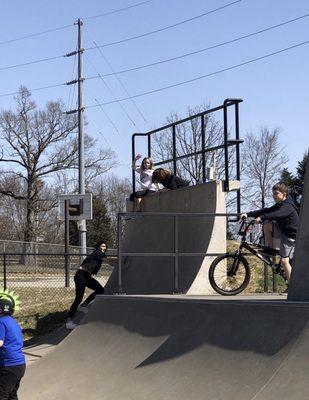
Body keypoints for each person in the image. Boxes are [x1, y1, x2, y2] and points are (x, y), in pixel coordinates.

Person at [241, 182, 299, 285]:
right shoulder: (280, 204)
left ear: (284, 194)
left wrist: (262, 217)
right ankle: (271, 249)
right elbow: (267, 210)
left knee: (285, 262)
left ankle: (293, 287)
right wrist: (248, 214)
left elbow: (278, 214)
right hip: (283, 232)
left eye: (276, 194)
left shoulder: (288, 206)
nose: (274, 196)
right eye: (273, 194)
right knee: (267, 224)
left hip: (291, 237)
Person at [66, 241, 107, 329]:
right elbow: (109, 261)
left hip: (87, 276)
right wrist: (120, 261)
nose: (103, 248)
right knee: (78, 298)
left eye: (104, 246)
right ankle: (69, 322)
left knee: (100, 290)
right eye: (102, 246)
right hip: (81, 275)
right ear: (98, 247)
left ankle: (84, 305)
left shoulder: (99, 255)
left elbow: (109, 261)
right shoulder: (98, 252)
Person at [0, 292, 26, 400]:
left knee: (2, 394)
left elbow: (0, 342)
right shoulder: (13, 321)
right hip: (20, 365)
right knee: (12, 395)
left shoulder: (1, 322)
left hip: (9, 366)